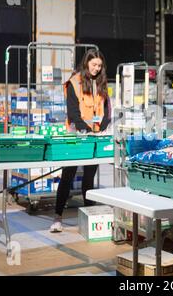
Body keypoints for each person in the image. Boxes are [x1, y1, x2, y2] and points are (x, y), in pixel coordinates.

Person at [50, 49, 111, 233]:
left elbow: (107, 109)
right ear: (86, 64)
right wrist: (85, 129)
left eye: (100, 66)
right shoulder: (74, 83)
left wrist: (102, 126)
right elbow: (73, 113)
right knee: (68, 175)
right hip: (76, 137)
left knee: (89, 178)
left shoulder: (101, 83)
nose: (96, 69)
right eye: (94, 65)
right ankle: (58, 217)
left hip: (94, 136)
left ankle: (90, 215)